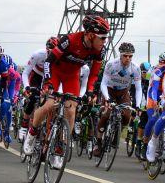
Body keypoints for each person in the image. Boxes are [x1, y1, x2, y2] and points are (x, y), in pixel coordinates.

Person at [22, 14, 109, 165]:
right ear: (89, 35)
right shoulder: (70, 40)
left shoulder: (99, 50)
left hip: (72, 76)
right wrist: (48, 82)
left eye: (106, 37)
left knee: (70, 110)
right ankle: (32, 133)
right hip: (55, 72)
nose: (104, 41)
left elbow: (94, 74)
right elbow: (49, 62)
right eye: (102, 37)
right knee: (49, 105)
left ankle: (59, 149)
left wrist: (89, 91)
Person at [95, 42, 142, 156]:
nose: (128, 58)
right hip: (109, 91)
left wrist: (138, 106)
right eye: (125, 55)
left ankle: (116, 132)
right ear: (120, 55)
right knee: (106, 114)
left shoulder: (135, 68)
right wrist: (107, 98)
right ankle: (99, 143)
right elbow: (103, 83)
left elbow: (138, 88)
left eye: (130, 56)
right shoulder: (111, 64)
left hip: (123, 92)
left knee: (127, 116)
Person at [140, 52, 165, 160]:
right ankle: (144, 144)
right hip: (153, 94)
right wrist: (154, 101)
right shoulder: (159, 70)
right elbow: (154, 88)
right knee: (153, 118)